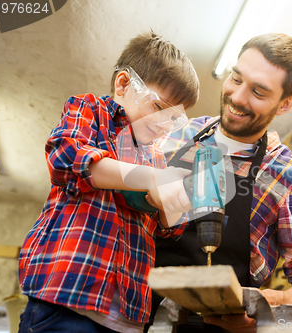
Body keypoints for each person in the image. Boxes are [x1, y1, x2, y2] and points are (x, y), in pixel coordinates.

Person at [18, 31, 198, 333]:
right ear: (124, 84)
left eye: (174, 119)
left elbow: (173, 227)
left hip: (127, 319)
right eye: (158, 108)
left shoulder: (157, 158)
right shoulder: (90, 110)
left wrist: (168, 200)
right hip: (67, 300)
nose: (164, 125)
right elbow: (69, 158)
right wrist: (153, 178)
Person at [152, 33, 292, 333]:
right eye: (236, 79)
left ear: (285, 104)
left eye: (258, 92)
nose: (237, 97)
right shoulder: (176, 135)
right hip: (136, 316)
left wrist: (270, 313)